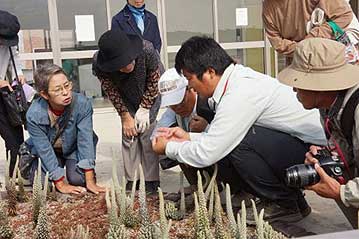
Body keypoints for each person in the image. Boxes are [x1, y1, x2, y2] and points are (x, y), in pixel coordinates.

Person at [152, 36, 327, 223]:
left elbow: (209, 152)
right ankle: (292, 201)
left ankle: (284, 204)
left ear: (210, 72)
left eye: (190, 79)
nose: (191, 86)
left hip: (317, 154)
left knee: (237, 144)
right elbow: (216, 136)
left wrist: (168, 148)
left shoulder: (240, 92)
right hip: (299, 146)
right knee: (233, 141)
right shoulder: (234, 83)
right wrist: (188, 137)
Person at [278, 37, 359, 228]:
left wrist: (342, 192)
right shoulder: (328, 105)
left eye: (299, 82)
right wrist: (328, 155)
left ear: (320, 87)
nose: (293, 88)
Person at [92, 29, 163, 193]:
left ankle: (152, 180)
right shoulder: (99, 62)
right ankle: (133, 179)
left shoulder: (147, 50)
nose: (126, 66)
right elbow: (111, 90)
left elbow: (154, 83)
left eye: (128, 61)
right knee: (129, 133)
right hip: (124, 94)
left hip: (150, 91)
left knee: (146, 131)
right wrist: (125, 115)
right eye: (120, 65)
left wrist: (145, 108)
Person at [26, 64, 105, 195]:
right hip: (51, 150)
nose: (65, 92)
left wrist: (90, 181)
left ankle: (76, 169)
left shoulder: (82, 104)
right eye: (57, 90)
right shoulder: (34, 115)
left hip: (73, 148)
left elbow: (85, 140)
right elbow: (44, 149)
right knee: (43, 184)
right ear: (44, 94)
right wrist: (60, 183)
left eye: (67, 85)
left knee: (78, 179)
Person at [154, 68, 214, 194]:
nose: (178, 108)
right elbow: (156, 135)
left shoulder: (209, 102)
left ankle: (231, 188)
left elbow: (226, 137)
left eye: (180, 102)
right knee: (172, 141)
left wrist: (207, 127)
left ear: (191, 89)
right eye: (172, 105)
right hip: (196, 151)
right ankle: (196, 185)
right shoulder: (173, 111)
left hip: (215, 150)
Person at [262, 0, 356, 64]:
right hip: (300, 60)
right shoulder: (268, 7)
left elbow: (344, 15)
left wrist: (314, 36)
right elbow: (278, 43)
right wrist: (304, 48)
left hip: (331, 54)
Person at [0, 10, 27, 177]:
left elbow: (14, 56)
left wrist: (20, 73)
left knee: (14, 135)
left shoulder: (9, 40)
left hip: (3, 93)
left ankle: (16, 174)